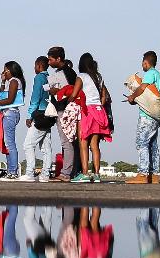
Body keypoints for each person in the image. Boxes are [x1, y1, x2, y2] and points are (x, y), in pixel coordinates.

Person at [126, 50, 160, 184]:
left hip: (147, 116)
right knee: (152, 144)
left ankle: (142, 174)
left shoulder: (149, 74)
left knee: (142, 143)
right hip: (156, 116)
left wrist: (132, 97)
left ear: (145, 63)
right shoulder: (159, 76)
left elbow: (142, 88)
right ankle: (154, 175)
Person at [0, 61, 26, 180]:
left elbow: (9, 100)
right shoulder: (12, 82)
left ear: (11, 70)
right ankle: (10, 171)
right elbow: (2, 95)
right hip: (9, 114)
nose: (4, 73)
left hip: (10, 114)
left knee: (9, 143)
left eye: (5, 70)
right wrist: (2, 82)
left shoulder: (14, 81)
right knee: (7, 143)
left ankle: (13, 171)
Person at [74, 52, 111, 183]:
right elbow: (104, 96)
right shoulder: (99, 77)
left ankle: (84, 173)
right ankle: (96, 174)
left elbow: (74, 94)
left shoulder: (82, 76)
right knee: (94, 144)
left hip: (86, 111)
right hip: (99, 111)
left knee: (83, 142)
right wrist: (99, 105)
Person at [46, 47, 80, 180]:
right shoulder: (66, 72)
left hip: (65, 109)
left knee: (67, 142)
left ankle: (66, 173)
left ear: (58, 59)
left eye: (50, 59)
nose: (49, 62)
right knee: (68, 142)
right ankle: (70, 171)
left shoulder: (67, 73)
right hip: (64, 108)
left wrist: (55, 91)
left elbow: (70, 91)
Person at [20, 56, 54, 182]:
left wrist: (29, 115)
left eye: (35, 66)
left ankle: (30, 172)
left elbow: (35, 98)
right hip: (49, 114)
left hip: (39, 114)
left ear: (39, 65)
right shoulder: (48, 78)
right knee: (46, 147)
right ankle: (45, 174)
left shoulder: (39, 77)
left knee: (28, 145)